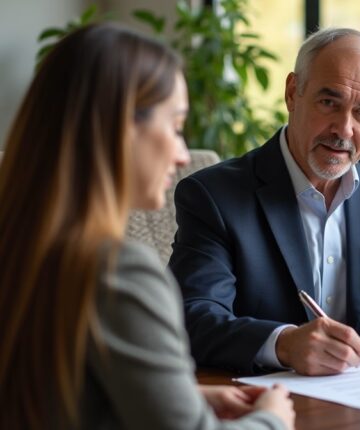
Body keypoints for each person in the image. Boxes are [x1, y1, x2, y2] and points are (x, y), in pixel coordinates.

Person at [0, 23, 294, 429]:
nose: (182, 154)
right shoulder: (119, 272)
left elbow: (65, 394)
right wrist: (272, 419)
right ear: (119, 128)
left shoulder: (22, 250)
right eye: (175, 127)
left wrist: (181, 396)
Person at [170, 27, 360, 376]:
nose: (344, 129)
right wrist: (284, 343)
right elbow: (193, 316)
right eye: (329, 103)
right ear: (293, 93)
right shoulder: (213, 195)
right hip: (264, 395)